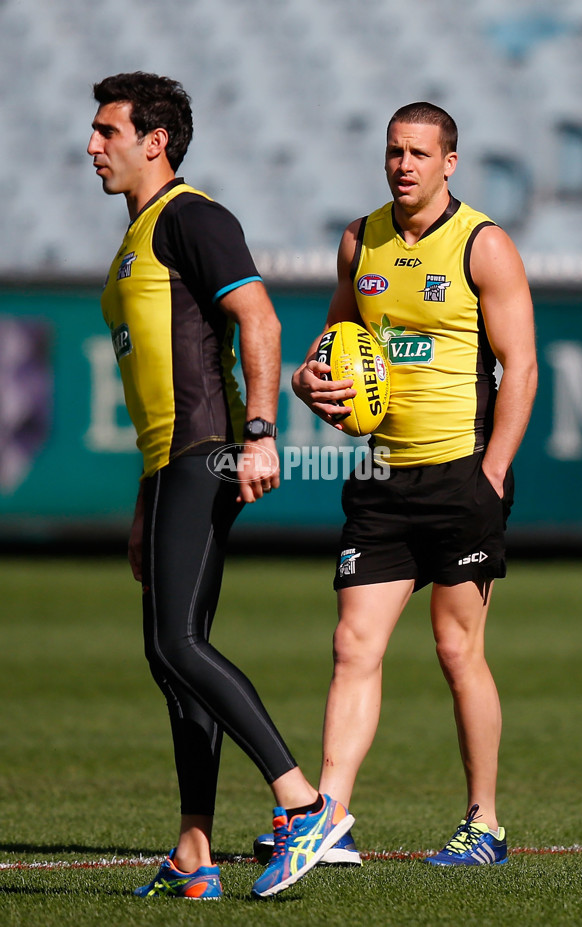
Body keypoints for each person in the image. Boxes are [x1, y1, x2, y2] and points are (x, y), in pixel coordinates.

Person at [87, 71, 353, 900]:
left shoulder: (193, 217)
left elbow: (261, 320)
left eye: (108, 131)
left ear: (154, 140)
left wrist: (263, 435)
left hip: (208, 452)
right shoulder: (138, 234)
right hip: (170, 461)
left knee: (179, 643)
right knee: (170, 655)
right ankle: (195, 852)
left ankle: (303, 804)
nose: (93, 146)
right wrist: (143, 500)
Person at [259, 101, 537, 867]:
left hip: (461, 476)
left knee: (457, 651)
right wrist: (308, 382)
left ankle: (484, 825)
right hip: (382, 476)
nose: (403, 164)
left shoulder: (484, 244)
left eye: (418, 152)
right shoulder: (360, 239)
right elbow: (333, 342)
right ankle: (328, 817)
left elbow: (523, 365)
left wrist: (493, 471)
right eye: (393, 151)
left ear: (450, 162)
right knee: (353, 644)